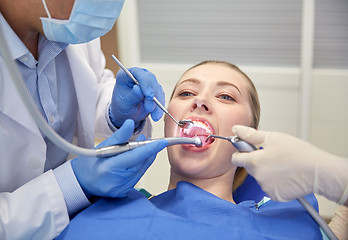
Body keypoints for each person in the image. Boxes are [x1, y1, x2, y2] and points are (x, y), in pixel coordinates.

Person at [57, 61, 322, 239]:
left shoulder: (284, 219)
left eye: (226, 96)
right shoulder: (102, 206)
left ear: (249, 134)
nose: (200, 101)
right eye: (185, 93)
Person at [0, 0, 168, 239]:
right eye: (187, 92)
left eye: (226, 96)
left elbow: (90, 88)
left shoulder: (65, 24)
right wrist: (71, 185)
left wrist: (116, 114)